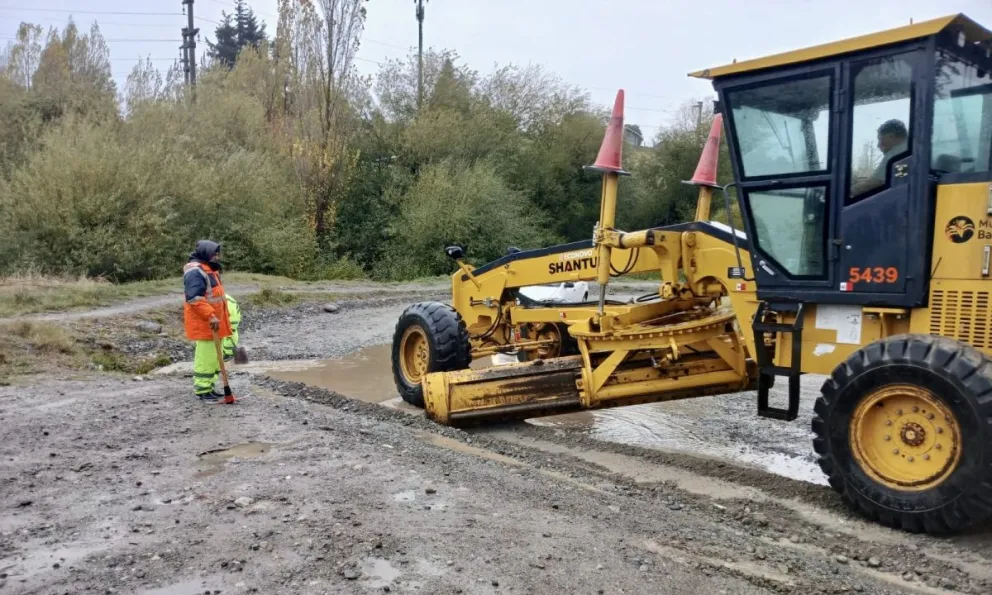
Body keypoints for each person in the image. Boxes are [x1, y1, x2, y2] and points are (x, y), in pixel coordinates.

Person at [183, 240, 233, 401]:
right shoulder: (195, 271)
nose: (217, 257)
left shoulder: (209, 269)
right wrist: (210, 315)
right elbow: (194, 299)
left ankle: (209, 387)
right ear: (206, 254)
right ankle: (203, 390)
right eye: (214, 254)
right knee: (205, 359)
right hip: (206, 323)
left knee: (214, 358)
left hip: (216, 322)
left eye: (217, 254)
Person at [222, 293, 241, 361]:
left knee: (230, 338)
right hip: (225, 319)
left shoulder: (228, 303)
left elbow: (233, 320)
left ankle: (230, 355)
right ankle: (226, 354)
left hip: (233, 318)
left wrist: (230, 330)